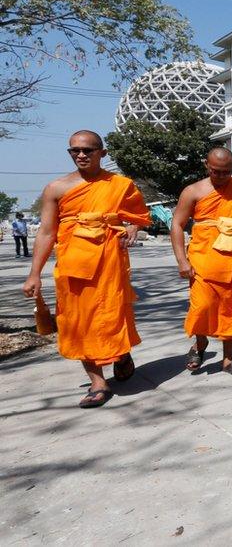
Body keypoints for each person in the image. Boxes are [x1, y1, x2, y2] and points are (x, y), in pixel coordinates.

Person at [21, 130, 150, 408]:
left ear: (101, 153)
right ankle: (97, 382)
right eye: (75, 151)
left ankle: (120, 353)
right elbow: (46, 232)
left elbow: (138, 216)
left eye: (88, 150)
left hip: (110, 263)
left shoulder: (121, 184)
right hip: (74, 265)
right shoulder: (57, 188)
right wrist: (34, 274)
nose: (81, 155)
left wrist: (132, 228)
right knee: (78, 320)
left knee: (113, 314)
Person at [170, 147, 232, 377]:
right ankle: (200, 343)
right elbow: (177, 224)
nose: (222, 177)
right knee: (202, 306)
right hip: (203, 259)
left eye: (227, 172)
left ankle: (228, 359)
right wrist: (181, 261)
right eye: (216, 172)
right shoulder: (193, 191)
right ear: (207, 165)